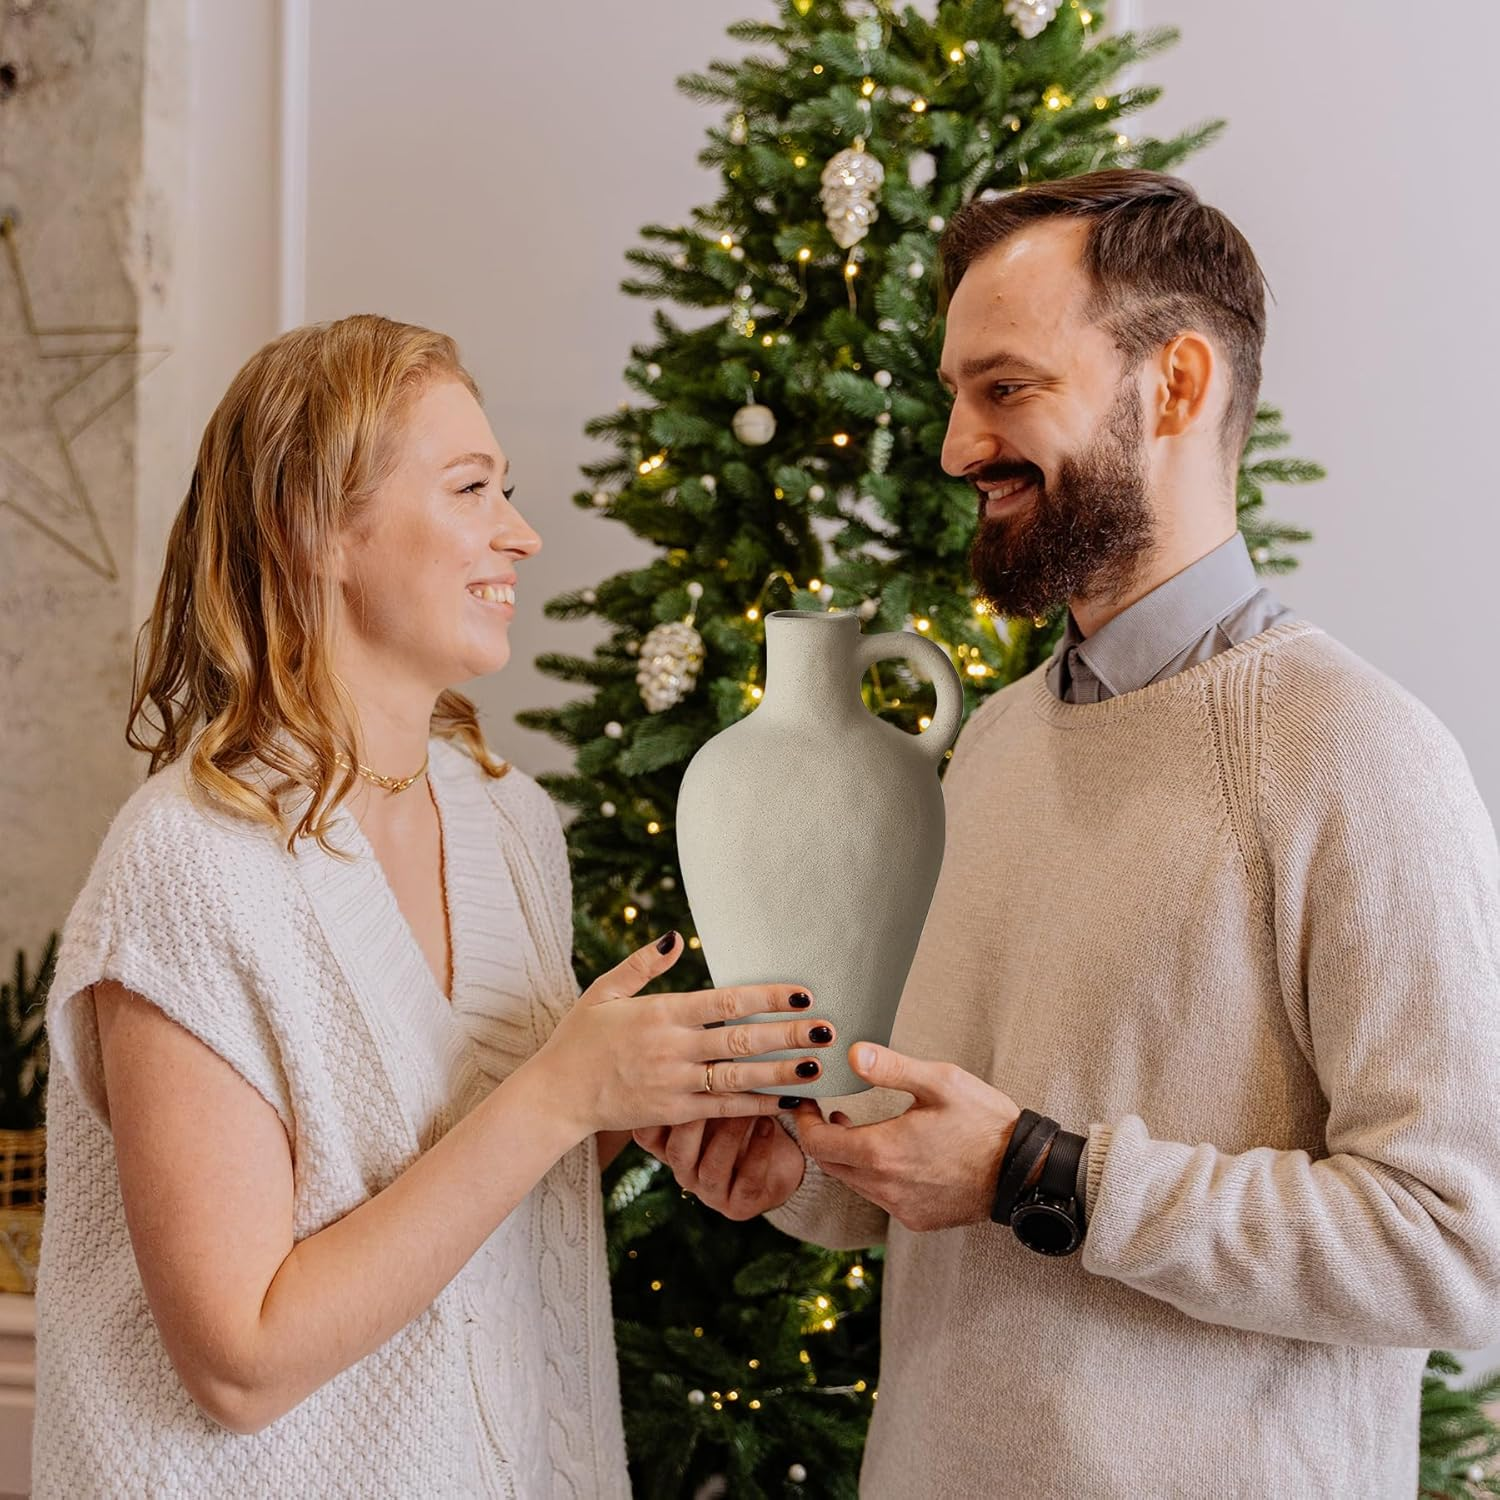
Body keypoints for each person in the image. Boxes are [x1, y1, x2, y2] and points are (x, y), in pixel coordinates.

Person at [635, 169, 1500, 1496]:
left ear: (1177, 384)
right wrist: (803, 1172)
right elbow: (947, 1155)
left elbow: (1457, 1249)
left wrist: (1052, 1175)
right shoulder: (998, 742)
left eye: (1006, 388)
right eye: (951, 394)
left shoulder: (1360, 757)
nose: (953, 446)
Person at [32, 314, 837, 1497]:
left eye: (505, 490)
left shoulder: (507, 819)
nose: (521, 532)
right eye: (471, 489)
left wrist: (658, 1101)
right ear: (312, 527)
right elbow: (241, 1362)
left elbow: (482, 1152)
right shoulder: (189, 866)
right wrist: (566, 1089)